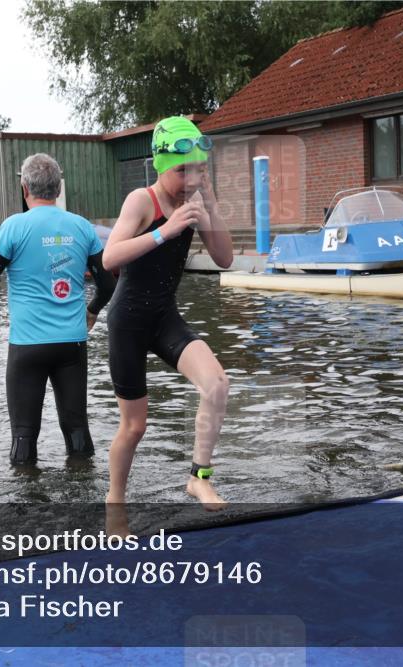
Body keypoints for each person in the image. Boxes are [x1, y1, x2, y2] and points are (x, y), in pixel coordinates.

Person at [0, 153, 116, 465]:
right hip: (71, 344)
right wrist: (91, 311)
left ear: (25, 188)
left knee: (24, 435)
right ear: (58, 188)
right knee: (77, 429)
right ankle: (85, 494)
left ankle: (26, 503)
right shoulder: (81, 227)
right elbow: (108, 284)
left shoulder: (14, 227)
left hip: (28, 347)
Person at [102, 116, 234, 509]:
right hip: (128, 321)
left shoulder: (193, 203)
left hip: (163, 316)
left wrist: (209, 203)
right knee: (135, 426)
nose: (191, 179)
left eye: (199, 171)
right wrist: (165, 229)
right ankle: (115, 504)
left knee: (217, 385)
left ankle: (199, 478)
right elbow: (110, 256)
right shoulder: (142, 201)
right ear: (162, 165)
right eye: (182, 171)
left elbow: (225, 258)